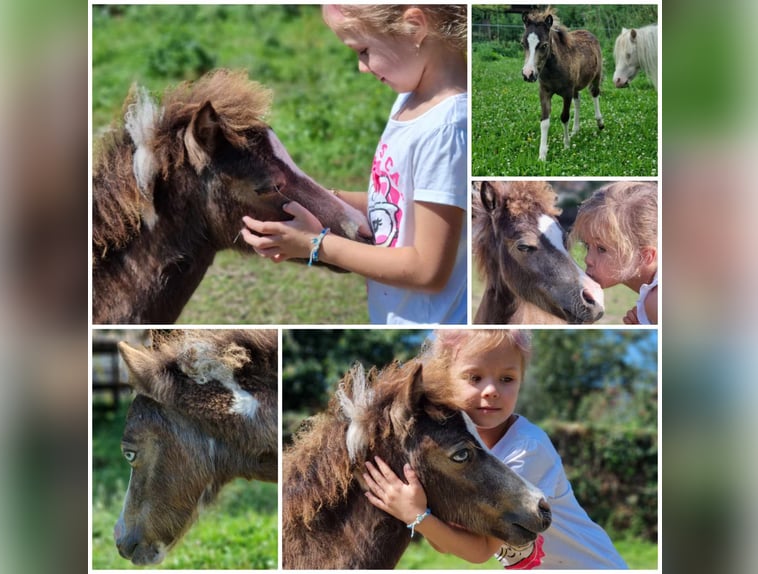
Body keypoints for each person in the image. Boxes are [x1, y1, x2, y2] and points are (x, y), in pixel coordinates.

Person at [240, 5, 468, 324]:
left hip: (435, 325)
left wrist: (315, 245)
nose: (361, 67)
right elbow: (400, 206)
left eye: (363, 50)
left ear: (414, 27)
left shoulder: (446, 129)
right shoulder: (411, 99)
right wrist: (322, 201)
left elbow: (427, 270)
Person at [362, 329, 628, 569]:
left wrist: (416, 515)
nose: (491, 390)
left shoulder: (526, 448)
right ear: (445, 381)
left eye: (507, 378)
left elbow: (479, 550)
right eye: (475, 377)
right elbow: (444, 542)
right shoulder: (455, 454)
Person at [570, 181, 658, 325]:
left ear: (645, 257)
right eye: (587, 245)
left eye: (601, 249)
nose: (588, 259)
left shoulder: (656, 301)